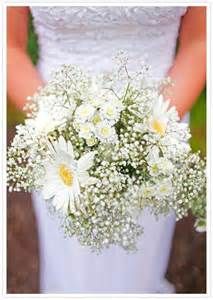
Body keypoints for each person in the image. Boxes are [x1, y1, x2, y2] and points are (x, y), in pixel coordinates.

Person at [7, 6, 206, 293]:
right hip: (57, 136)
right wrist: (59, 130)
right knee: (72, 265)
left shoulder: (153, 135)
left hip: (160, 124)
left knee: (139, 262)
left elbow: (200, 42)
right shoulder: (58, 134)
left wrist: (146, 138)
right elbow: (9, 47)